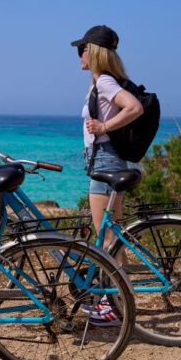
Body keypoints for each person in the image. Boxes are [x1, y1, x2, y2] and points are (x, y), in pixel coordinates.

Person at [71, 24, 144, 324]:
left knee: (108, 238)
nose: (79, 56)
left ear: (94, 52)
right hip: (106, 161)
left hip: (106, 163)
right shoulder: (101, 83)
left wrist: (103, 127)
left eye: (82, 50)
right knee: (111, 236)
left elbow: (134, 108)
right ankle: (116, 301)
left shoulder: (104, 83)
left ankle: (113, 306)